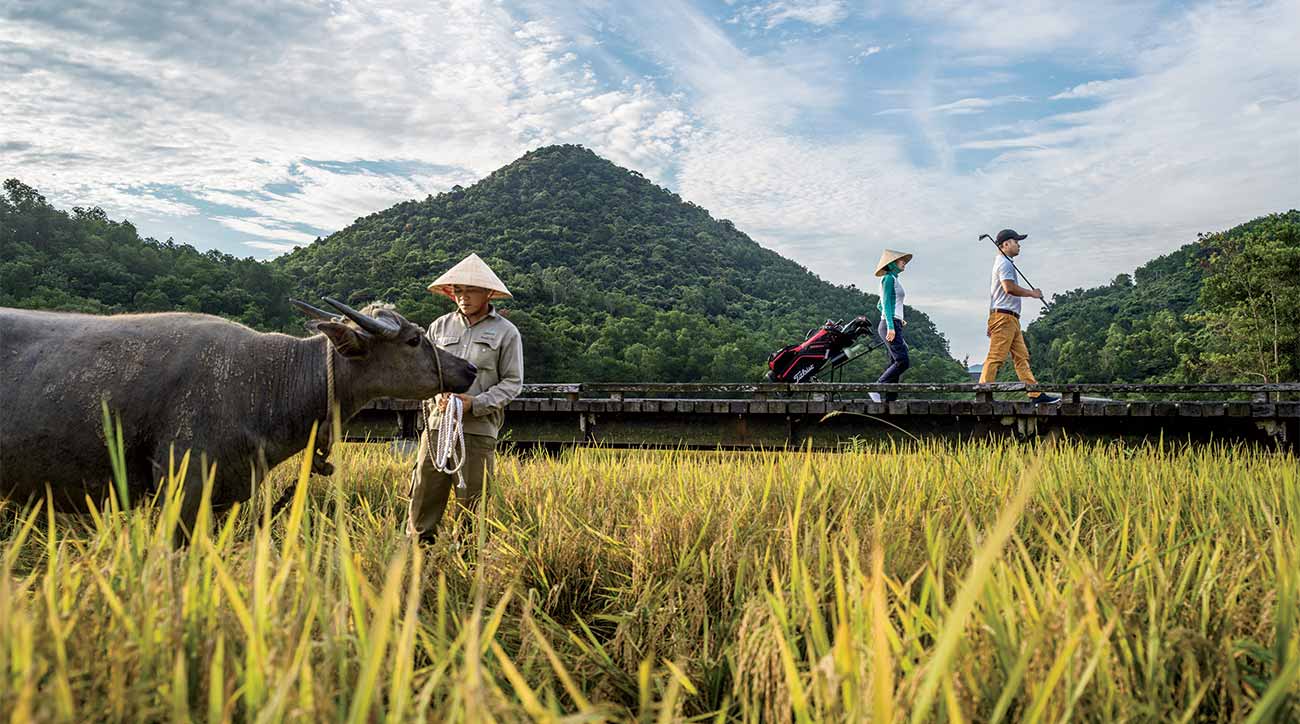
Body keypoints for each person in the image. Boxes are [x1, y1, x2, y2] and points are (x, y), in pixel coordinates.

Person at [408, 253, 523, 543]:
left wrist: (476, 403)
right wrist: (438, 398)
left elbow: (512, 383)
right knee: (422, 496)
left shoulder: (506, 333)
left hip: (476, 429)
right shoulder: (439, 327)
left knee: (472, 505)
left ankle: (469, 568)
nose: (463, 297)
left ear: (488, 293)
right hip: (436, 428)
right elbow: (425, 374)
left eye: (470, 290)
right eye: (458, 291)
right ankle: (416, 562)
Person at [978, 229, 1058, 404]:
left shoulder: (1004, 262)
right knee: (996, 357)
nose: (1019, 245)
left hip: (1009, 318)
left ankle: (1035, 394)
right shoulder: (1005, 264)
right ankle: (983, 395)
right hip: (1004, 317)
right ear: (1005, 244)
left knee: (1022, 356)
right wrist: (1032, 293)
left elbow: (996, 294)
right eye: (1016, 241)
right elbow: (1009, 288)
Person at [869, 249, 912, 403]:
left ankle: (890, 399)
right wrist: (891, 325)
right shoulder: (888, 279)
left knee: (895, 361)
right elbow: (885, 304)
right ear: (892, 263)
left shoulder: (894, 279)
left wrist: (899, 319)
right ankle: (877, 387)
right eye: (901, 260)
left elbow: (879, 305)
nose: (904, 263)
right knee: (903, 361)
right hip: (889, 325)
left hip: (894, 322)